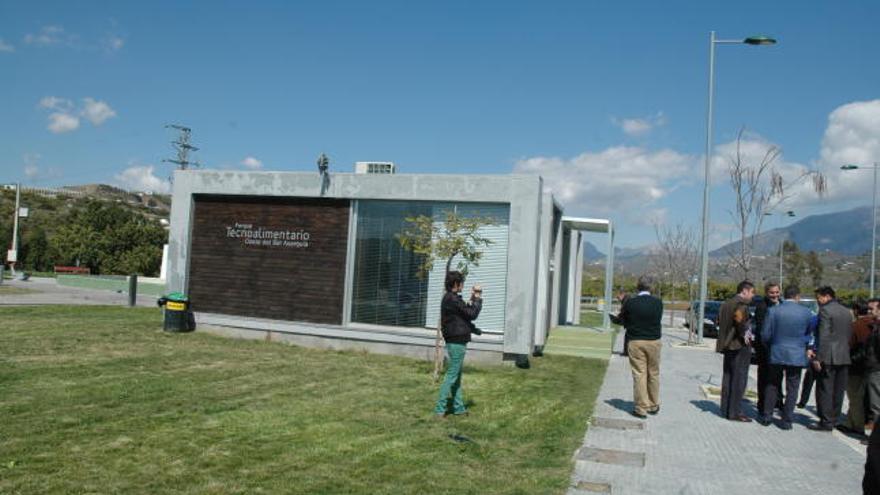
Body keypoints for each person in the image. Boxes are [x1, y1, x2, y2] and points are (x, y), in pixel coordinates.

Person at [758, 285, 814, 430]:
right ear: (797, 297)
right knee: (793, 387)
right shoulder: (807, 313)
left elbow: (765, 334)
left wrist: (771, 345)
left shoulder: (773, 311)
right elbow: (809, 334)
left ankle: (767, 415)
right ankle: (787, 420)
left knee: (772, 384)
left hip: (776, 352)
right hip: (797, 354)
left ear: (785, 295)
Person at [434, 271, 482, 418]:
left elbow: (462, 316)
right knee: (452, 375)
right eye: (461, 282)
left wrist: (473, 329)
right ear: (456, 284)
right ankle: (440, 409)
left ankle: (458, 408)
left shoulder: (450, 298)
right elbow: (471, 313)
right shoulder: (452, 299)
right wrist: (477, 299)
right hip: (456, 341)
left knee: (456, 375)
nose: (463, 285)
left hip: (456, 339)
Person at [807, 286, 853, 431]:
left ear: (826, 296)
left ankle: (825, 422)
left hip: (829, 356)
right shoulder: (846, 311)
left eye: (818, 298)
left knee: (825, 389)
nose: (818, 301)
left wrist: (818, 357)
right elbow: (848, 334)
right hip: (844, 354)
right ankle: (834, 418)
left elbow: (824, 336)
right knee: (838, 390)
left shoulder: (825, 311)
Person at [619, 276, 663, 418]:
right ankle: (653, 404)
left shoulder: (630, 303)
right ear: (651, 287)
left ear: (638, 286)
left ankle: (641, 407)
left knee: (639, 374)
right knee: (653, 373)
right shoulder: (658, 303)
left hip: (636, 341)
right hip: (654, 341)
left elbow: (623, 319)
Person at [717, 280, 756, 422]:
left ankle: (726, 408)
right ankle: (735, 412)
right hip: (738, 346)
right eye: (752, 292)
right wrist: (744, 334)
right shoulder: (741, 305)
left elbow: (719, 321)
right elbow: (739, 320)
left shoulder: (726, 304)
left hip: (727, 345)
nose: (752, 296)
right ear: (745, 291)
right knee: (739, 379)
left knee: (728, 377)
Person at [841, 300, 875, 437]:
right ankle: (850, 422)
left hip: (856, 367)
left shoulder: (855, 326)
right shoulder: (874, 324)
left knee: (855, 397)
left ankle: (857, 426)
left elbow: (848, 345)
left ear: (855, 310)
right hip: (871, 366)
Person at [753, 282, 782, 414]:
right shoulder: (762, 307)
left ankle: (777, 401)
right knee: (764, 377)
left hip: (780, 349)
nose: (774, 295)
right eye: (772, 292)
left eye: (777, 292)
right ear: (766, 293)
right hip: (765, 349)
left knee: (778, 376)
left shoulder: (783, 305)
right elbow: (761, 330)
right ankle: (762, 404)